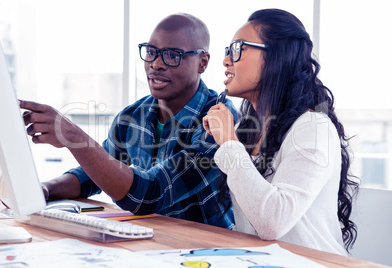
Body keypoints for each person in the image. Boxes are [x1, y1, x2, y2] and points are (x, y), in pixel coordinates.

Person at [20, 13, 236, 229]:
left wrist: (74, 136)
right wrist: (43, 189)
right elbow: (91, 175)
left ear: (202, 62)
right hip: (153, 242)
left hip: (208, 251)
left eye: (173, 55)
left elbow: (149, 195)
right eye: (151, 52)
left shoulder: (219, 118)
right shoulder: (132, 116)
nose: (156, 64)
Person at [202, 9, 359, 255]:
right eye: (228, 51)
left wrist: (230, 144)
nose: (225, 61)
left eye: (238, 48)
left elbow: (272, 221)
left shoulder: (313, 128)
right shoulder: (250, 130)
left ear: (277, 56)